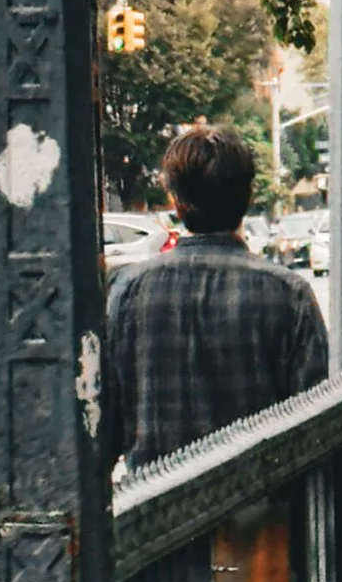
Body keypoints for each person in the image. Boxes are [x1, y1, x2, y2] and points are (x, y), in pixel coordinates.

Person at [105, 123, 327, 471]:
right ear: (248, 197)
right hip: (260, 514)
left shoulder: (128, 290)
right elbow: (314, 430)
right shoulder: (288, 294)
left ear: (175, 202)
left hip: (157, 513)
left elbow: (106, 428)